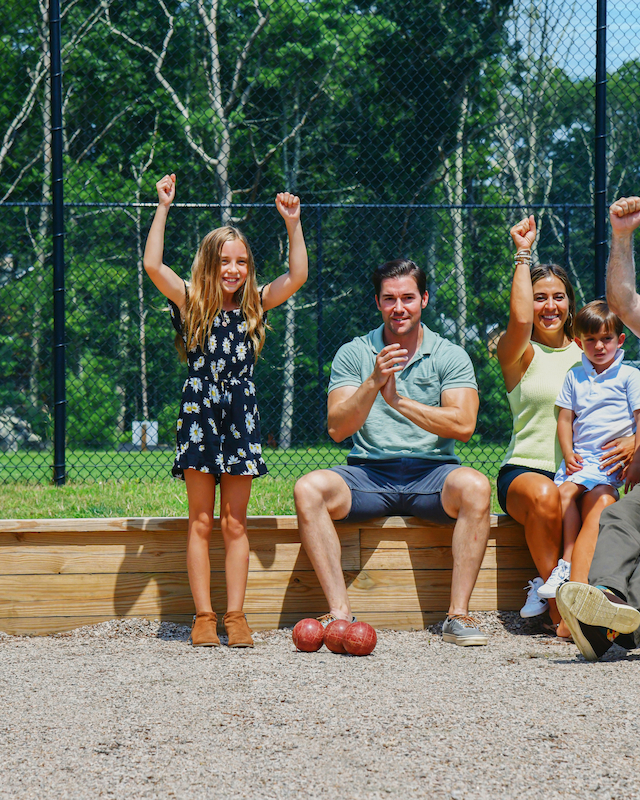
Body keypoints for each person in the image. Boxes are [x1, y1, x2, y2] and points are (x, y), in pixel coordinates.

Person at [144, 173, 308, 648]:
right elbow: (153, 265)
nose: (233, 269)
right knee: (200, 520)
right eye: (223, 261)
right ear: (208, 265)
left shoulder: (256, 304)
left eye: (241, 261)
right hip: (199, 411)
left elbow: (296, 276)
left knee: (235, 521)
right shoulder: (191, 302)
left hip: (240, 412)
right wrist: (163, 207)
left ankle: (235, 616)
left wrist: (292, 224)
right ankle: (204, 616)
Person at [293, 258, 492, 647]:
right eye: (389, 299)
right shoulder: (355, 352)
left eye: (408, 298)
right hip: (369, 473)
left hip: (432, 474)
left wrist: (398, 401)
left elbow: (463, 426)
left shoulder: (450, 354)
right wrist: (374, 382)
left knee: (477, 486)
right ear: (378, 302)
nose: (399, 307)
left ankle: (457, 615)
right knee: (308, 488)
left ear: (424, 300)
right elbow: (338, 429)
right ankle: (340, 616)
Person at [495, 217, 633, 635]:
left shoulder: (591, 353)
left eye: (558, 297)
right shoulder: (517, 352)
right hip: (528, 472)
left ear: (571, 304)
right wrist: (523, 254)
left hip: (588, 470)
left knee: (605, 505)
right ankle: (555, 599)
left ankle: (584, 600)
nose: (549, 306)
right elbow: (519, 321)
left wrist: (631, 438)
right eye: (540, 298)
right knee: (545, 494)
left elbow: (626, 398)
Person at [558, 196, 640, 660]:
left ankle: (622, 625)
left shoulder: (628, 376)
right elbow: (623, 301)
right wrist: (623, 236)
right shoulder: (582, 374)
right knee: (620, 517)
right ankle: (602, 609)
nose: (599, 345)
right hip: (620, 479)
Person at [545, 300, 640, 601]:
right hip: (582, 460)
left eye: (606, 339)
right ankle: (567, 563)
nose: (599, 346)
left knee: (600, 500)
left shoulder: (629, 376)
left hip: (610, 464)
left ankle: (573, 567)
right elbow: (564, 418)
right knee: (562, 495)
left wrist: (636, 459)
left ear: (620, 340)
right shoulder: (575, 375)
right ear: (579, 342)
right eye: (591, 340)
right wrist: (568, 452)